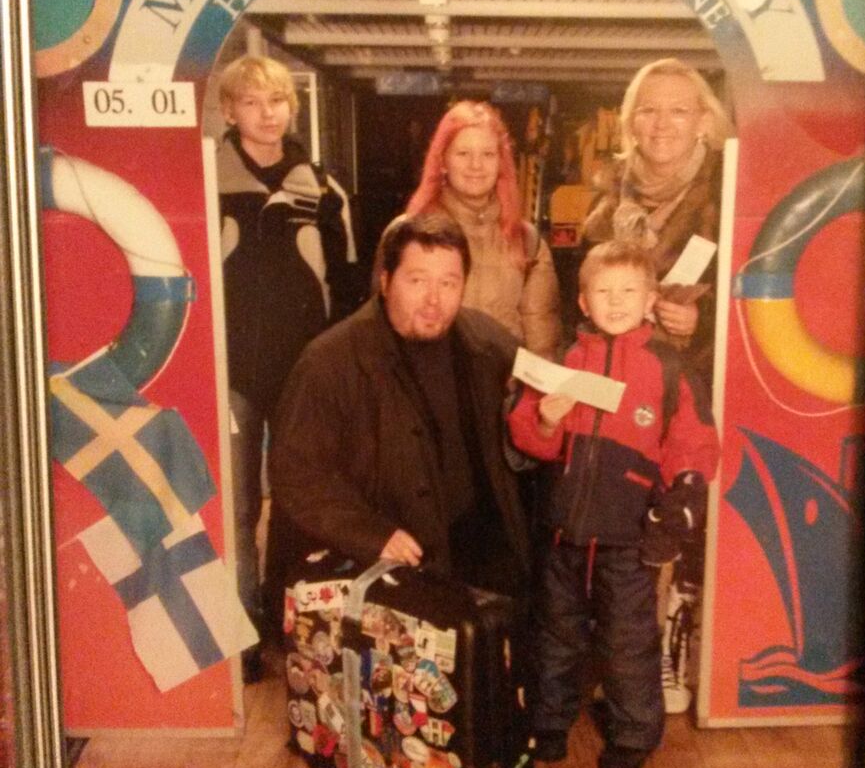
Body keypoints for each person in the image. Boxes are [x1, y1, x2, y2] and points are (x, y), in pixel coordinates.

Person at [508, 240, 719, 768]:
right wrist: (547, 421)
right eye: (604, 291)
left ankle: (634, 732)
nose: (617, 300)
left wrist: (682, 497)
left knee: (628, 640)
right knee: (555, 633)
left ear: (651, 301)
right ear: (583, 302)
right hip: (564, 533)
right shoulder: (563, 361)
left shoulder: (669, 369)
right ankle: (548, 721)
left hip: (628, 537)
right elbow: (530, 438)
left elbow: (693, 443)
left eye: (629, 290)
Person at [268, 212, 530, 597]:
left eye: (448, 283)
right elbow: (296, 473)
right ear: (386, 281)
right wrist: (371, 534)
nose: (433, 299)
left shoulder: (488, 343)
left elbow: (540, 413)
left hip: (477, 556)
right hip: (390, 568)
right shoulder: (330, 362)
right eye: (417, 280)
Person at [216, 55, 359, 681]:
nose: (266, 113)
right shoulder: (206, 183)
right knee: (238, 507)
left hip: (305, 376)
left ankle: (296, 623)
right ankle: (243, 632)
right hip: (230, 376)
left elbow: (350, 288)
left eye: (276, 100)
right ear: (229, 111)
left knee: (302, 501)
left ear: (292, 108)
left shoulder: (324, 191)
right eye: (251, 102)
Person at [582, 58, 732, 382]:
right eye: (648, 110)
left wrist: (704, 320)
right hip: (617, 379)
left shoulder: (729, 193)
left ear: (704, 122)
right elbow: (579, 301)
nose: (661, 124)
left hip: (696, 381)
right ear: (631, 123)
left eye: (678, 111)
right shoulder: (606, 203)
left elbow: (758, 300)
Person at [406, 100, 562, 360]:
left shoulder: (527, 240)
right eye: (463, 153)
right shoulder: (410, 233)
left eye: (488, 154)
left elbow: (542, 343)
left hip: (505, 382)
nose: (476, 165)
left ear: (501, 162)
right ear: (442, 160)